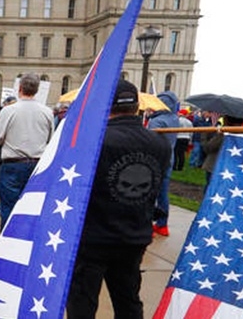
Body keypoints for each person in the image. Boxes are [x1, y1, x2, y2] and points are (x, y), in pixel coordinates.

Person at [66, 80, 171, 319]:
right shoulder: (160, 143)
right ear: (136, 106)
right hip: (134, 237)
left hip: (93, 238)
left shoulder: (93, 141)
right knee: (128, 301)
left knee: (82, 304)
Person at [0, 73, 53, 229]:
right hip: (37, 165)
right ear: (37, 90)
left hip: (13, 165)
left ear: (20, 88)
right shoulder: (47, 112)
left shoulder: (8, 111)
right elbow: (50, 140)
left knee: (9, 209)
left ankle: (8, 245)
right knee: (32, 209)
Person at [146, 90, 180, 237]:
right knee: (163, 194)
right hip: (169, 158)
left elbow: (149, 142)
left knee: (149, 193)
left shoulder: (157, 121)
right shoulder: (174, 119)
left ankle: (147, 224)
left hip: (155, 160)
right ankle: (162, 224)